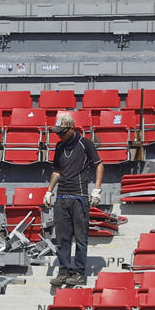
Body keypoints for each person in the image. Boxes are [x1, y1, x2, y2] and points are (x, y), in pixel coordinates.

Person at [46, 113, 104, 287]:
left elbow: (99, 165)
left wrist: (96, 190)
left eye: (62, 132)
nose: (60, 136)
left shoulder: (85, 144)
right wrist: (49, 191)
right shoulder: (59, 146)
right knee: (62, 238)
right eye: (58, 133)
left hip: (79, 196)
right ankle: (64, 271)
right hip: (62, 196)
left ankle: (78, 272)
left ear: (71, 129)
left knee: (80, 237)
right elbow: (57, 171)